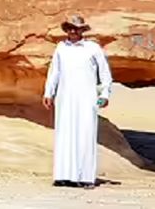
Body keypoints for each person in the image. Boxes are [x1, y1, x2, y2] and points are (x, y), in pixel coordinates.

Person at [42, 14, 112, 189]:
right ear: (66, 29)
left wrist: (104, 94)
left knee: (85, 134)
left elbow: (104, 73)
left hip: (86, 97)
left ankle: (86, 177)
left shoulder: (93, 48)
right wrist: (48, 93)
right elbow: (54, 72)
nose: (73, 31)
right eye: (70, 28)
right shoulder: (61, 48)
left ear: (82, 30)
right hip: (65, 97)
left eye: (76, 28)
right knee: (64, 134)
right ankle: (63, 175)